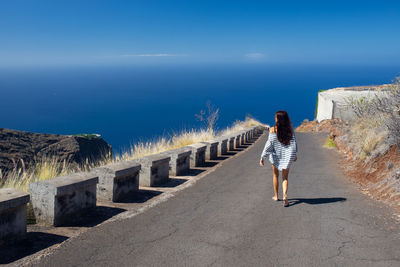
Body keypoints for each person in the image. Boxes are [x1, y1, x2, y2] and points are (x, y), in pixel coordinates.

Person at [260, 110, 297, 207]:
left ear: (278, 119)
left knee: (275, 176)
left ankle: (276, 196)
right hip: (287, 157)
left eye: (275, 117)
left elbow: (269, 144)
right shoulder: (290, 130)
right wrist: (295, 155)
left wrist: (263, 156)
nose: (274, 118)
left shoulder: (272, 130)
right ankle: (285, 197)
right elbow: (293, 143)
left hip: (276, 157)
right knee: (285, 178)